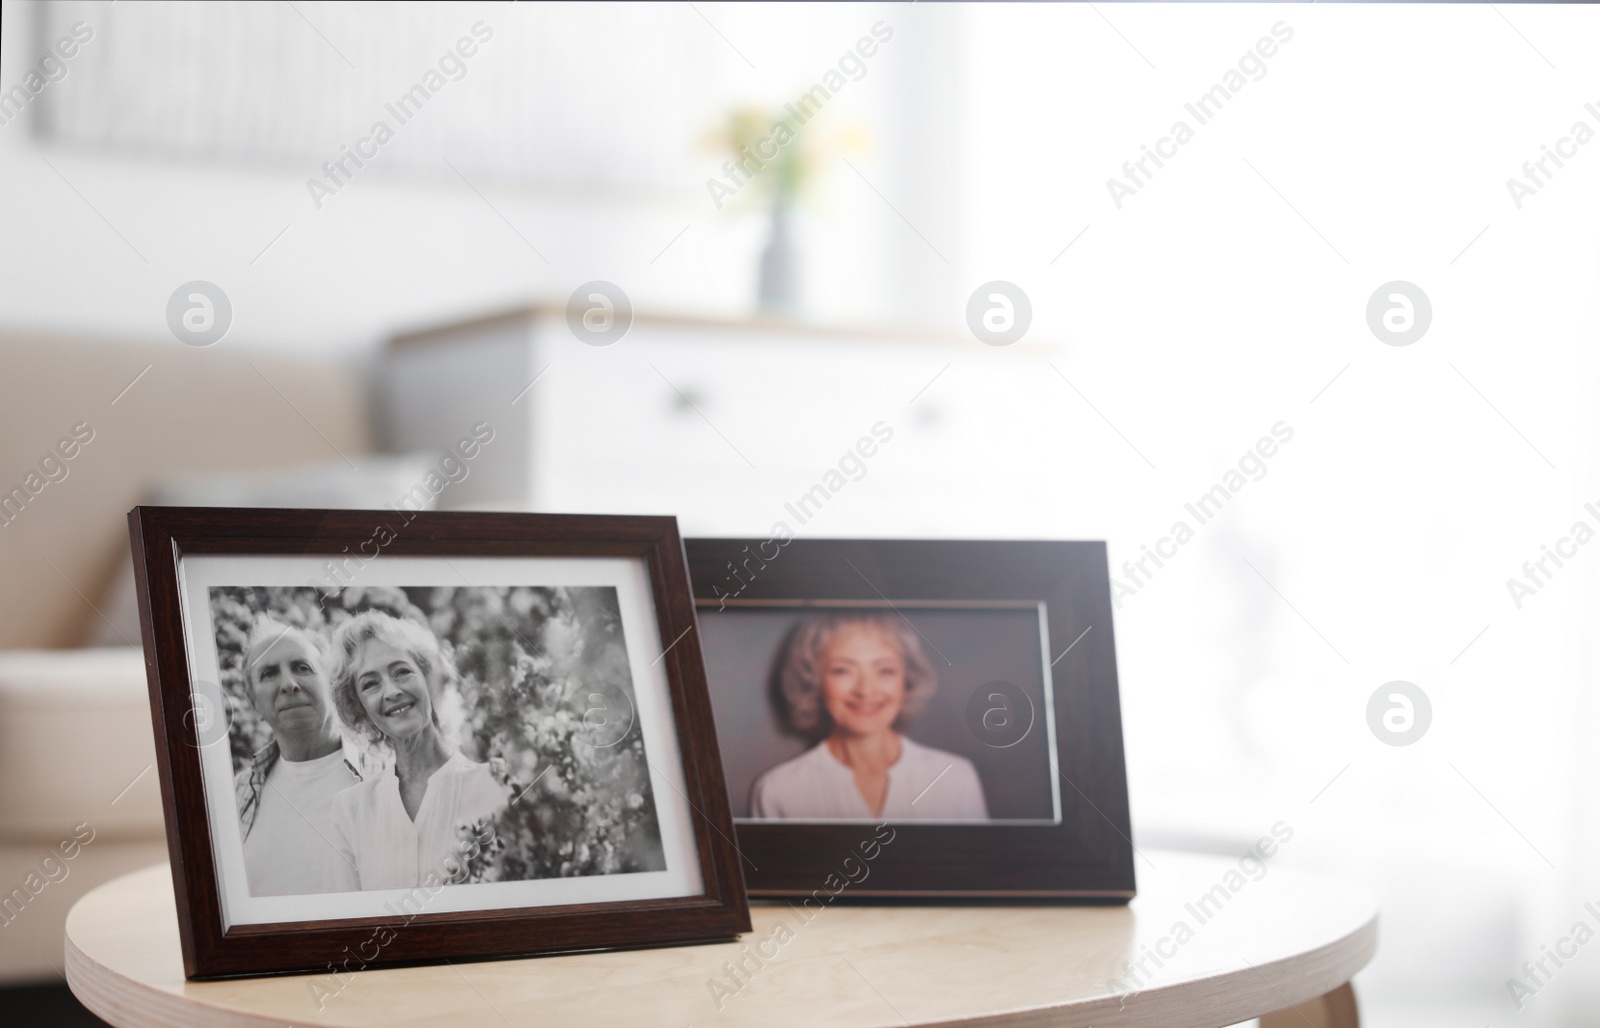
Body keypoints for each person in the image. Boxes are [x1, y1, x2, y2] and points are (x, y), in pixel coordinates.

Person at [326, 610, 508, 891]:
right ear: (359, 706)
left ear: (429, 678)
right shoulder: (350, 810)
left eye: (402, 671)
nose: (391, 691)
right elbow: (346, 925)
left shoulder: (494, 785)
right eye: (370, 684)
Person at [749, 614, 988, 821]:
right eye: (842, 670)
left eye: (884, 670)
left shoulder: (955, 778)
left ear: (907, 679)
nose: (865, 690)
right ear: (814, 680)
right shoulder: (778, 790)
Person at [233, 617, 362, 897]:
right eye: (269, 674)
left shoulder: (385, 772)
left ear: (331, 683)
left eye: (302, 667)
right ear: (255, 703)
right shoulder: (236, 796)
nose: (289, 684)